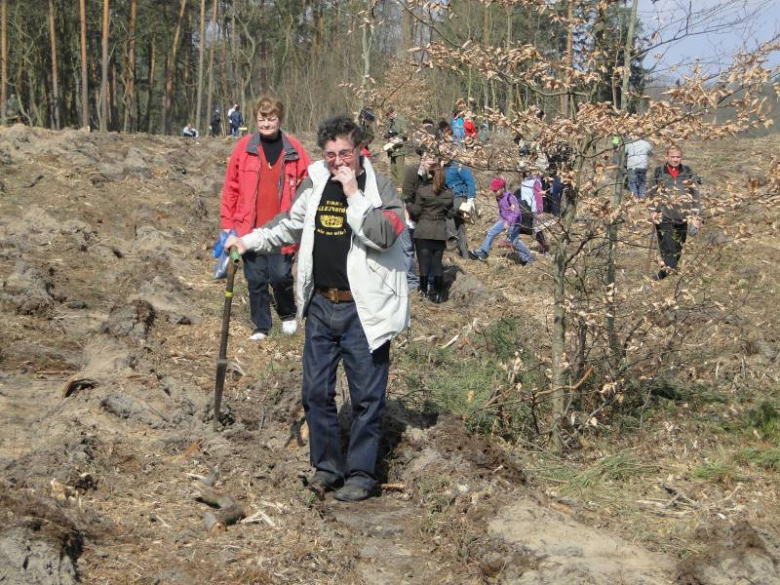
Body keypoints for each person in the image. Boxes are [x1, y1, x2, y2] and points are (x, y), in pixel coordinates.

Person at [226, 115, 408, 502]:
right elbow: (288, 224)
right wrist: (247, 241)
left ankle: (361, 474)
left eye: (345, 153)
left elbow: (384, 234)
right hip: (322, 304)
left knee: (367, 397)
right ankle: (327, 467)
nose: (338, 161)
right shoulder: (316, 182)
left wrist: (354, 194)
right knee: (315, 392)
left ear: (360, 151)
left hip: (364, 311)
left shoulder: (380, 189)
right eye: (330, 155)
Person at [219, 95, 310, 340]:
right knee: (255, 278)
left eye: (271, 119)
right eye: (262, 119)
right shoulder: (244, 148)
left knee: (280, 276)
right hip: (249, 227)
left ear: (280, 120)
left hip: (283, 228)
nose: (267, 123)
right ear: (255, 120)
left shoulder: (294, 149)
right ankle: (261, 326)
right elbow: (231, 187)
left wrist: (303, 220)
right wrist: (227, 224)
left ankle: (287, 312)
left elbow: (307, 186)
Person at [406, 148, 455, 303]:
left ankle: (424, 293)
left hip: (423, 230)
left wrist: (408, 204)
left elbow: (416, 210)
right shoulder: (449, 194)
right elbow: (450, 215)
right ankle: (439, 295)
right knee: (437, 264)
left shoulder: (423, 191)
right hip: (439, 231)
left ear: (430, 175)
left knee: (423, 264)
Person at [649, 144, 702, 280]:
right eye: (672, 157)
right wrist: (652, 211)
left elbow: (696, 194)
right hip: (664, 215)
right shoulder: (659, 172)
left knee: (678, 248)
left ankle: (668, 269)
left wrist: (697, 216)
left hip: (682, 216)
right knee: (668, 246)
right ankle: (663, 274)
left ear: (681, 158)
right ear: (666, 157)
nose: (675, 159)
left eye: (678, 157)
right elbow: (651, 193)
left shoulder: (688, 172)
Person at [468, 177, 534, 265]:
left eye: (496, 190)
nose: (494, 192)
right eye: (493, 190)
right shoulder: (499, 197)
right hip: (504, 220)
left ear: (502, 188)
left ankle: (528, 257)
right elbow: (503, 210)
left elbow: (516, 212)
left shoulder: (510, 197)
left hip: (515, 222)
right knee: (491, 231)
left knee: (514, 241)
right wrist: (504, 220)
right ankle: (483, 252)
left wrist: (508, 222)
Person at [443, 157, 477, 259]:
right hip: (448, 198)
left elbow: (470, 181)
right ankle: (465, 254)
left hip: (460, 196)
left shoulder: (458, 166)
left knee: (448, 213)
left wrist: (471, 198)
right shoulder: (440, 168)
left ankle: (452, 238)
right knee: (459, 225)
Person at [516, 168, 550, 254]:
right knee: (535, 230)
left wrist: (539, 211)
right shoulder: (530, 181)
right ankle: (544, 249)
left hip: (529, 209)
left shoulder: (530, 181)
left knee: (535, 230)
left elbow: (537, 197)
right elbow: (537, 197)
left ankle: (544, 249)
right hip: (528, 209)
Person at [383, 107, 408, 187]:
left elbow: (404, 133)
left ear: (392, 113)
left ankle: (401, 186)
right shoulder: (392, 122)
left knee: (400, 168)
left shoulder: (401, 120)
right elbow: (390, 132)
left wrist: (395, 138)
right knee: (393, 168)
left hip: (399, 148)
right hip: (392, 149)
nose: (387, 118)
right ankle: (395, 185)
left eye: (388, 115)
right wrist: (387, 135)